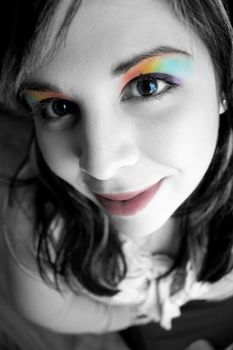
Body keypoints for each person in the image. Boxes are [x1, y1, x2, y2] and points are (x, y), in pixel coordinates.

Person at [0, 0, 233, 349]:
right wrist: (126, 316)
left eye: (147, 86)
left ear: (224, 82)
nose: (99, 165)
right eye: (57, 107)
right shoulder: (35, 224)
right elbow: (44, 310)